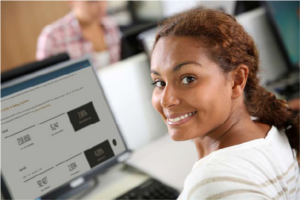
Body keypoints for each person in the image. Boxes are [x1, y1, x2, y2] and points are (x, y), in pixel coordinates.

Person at [150, 7, 300, 199]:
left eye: (188, 79)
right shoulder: (267, 130)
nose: (166, 100)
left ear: (237, 80)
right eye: (159, 82)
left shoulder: (212, 183)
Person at [36, 0, 121, 68]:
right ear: (72, 1)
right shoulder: (52, 36)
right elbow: (45, 79)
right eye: (92, 1)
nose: (101, 6)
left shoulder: (111, 24)